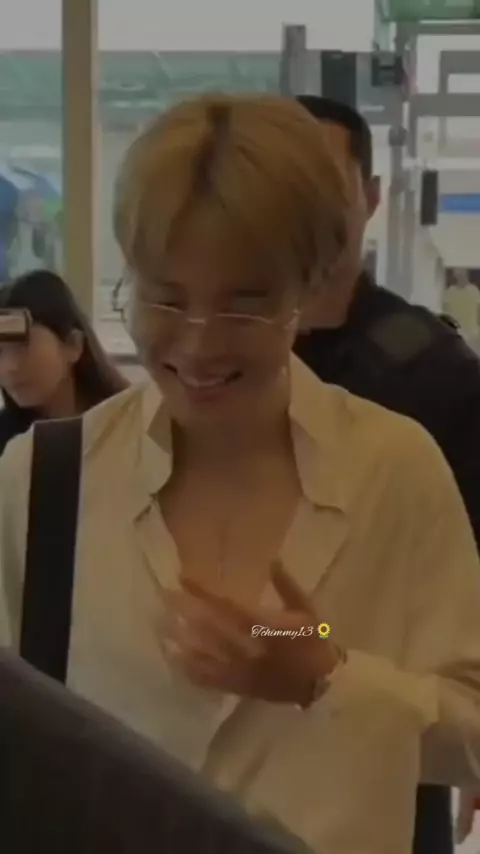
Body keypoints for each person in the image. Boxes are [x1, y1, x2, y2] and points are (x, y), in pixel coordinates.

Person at [2, 94, 480, 854]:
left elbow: (471, 725)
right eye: (165, 298)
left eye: (246, 304)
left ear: (307, 291)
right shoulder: (46, 481)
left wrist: (328, 673)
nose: (198, 345)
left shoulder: (393, 471)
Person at [293, 95, 480, 854]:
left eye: (325, 180)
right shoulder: (214, 366)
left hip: (381, 731)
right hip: (234, 719)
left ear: (371, 197)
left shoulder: (432, 372)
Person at [0, 269, 128, 454]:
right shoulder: (8, 446)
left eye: (24, 346)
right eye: (0, 352)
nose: (9, 367)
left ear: (73, 345)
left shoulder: (135, 424)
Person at [443, 267, 480, 348]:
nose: (459, 278)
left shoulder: (474, 291)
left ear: (466, 276)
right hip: (456, 331)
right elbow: (445, 311)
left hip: (472, 333)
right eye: (457, 276)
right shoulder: (450, 291)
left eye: (461, 275)